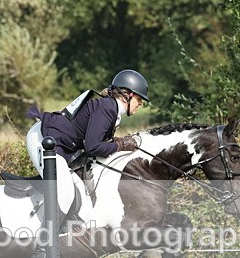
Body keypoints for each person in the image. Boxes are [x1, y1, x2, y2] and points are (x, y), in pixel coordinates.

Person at [25, 69, 150, 220]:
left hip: (60, 145)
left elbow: (96, 142)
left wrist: (116, 142)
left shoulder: (112, 109)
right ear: (128, 95)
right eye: (139, 100)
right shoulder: (107, 108)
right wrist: (120, 145)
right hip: (43, 139)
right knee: (66, 192)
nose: (140, 105)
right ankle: (47, 240)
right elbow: (93, 147)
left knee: (80, 189)